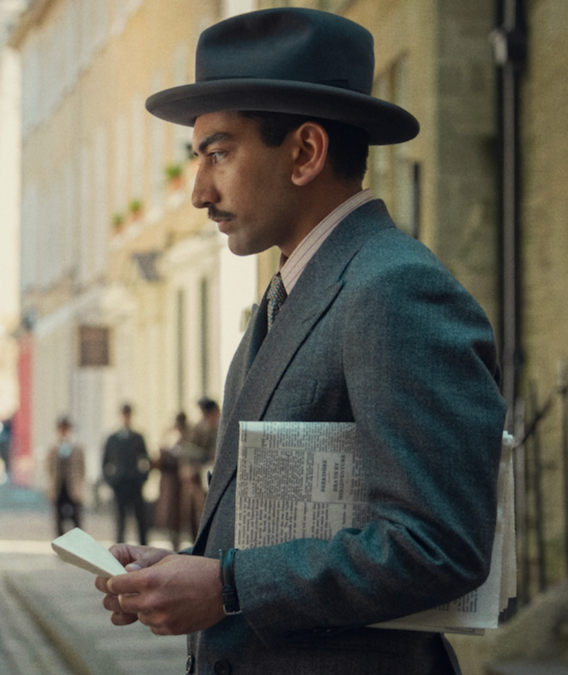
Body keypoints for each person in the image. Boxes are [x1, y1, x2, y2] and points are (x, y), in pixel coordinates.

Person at [94, 9, 506, 674]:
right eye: (197, 158)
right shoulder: (292, 290)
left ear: (306, 152)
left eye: (219, 152)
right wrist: (190, 569)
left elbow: (439, 545)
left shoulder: (393, 289)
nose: (199, 190)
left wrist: (226, 584)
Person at [101, 403, 151, 545]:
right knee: (120, 520)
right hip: (120, 484)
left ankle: (143, 547)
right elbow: (105, 462)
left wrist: (143, 478)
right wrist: (110, 481)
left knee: (140, 519)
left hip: (135, 483)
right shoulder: (112, 439)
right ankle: (120, 548)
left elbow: (146, 459)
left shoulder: (138, 437)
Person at [181, 397, 219, 537]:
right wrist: (187, 467)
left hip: (211, 477)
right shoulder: (198, 427)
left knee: (205, 512)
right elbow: (189, 449)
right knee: (194, 513)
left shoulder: (220, 428)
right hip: (197, 478)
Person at [152, 412, 188, 551]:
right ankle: (175, 543)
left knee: (179, 518)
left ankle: (177, 543)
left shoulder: (185, 440)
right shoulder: (175, 441)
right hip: (171, 486)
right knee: (172, 519)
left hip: (179, 487)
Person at [45, 416, 85, 537]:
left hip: (72, 488)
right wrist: (51, 487)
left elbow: (81, 468)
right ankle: (61, 542)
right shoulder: (54, 448)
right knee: (58, 519)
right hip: (59, 487)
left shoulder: (77, 448)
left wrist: (79, 487)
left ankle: (77, 542)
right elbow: (49, 468)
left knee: (76, 518)